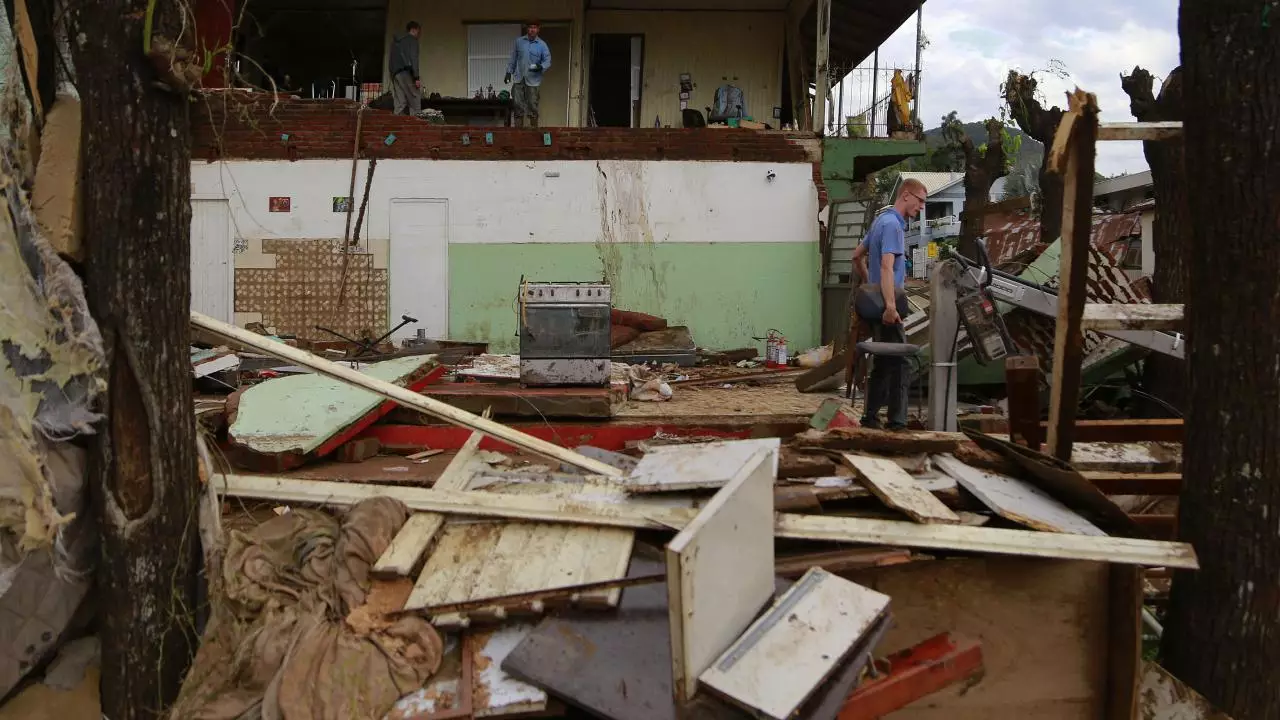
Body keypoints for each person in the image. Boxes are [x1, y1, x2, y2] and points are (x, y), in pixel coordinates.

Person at [850, 178, 927, 429]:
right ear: (906, 195)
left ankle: (870, 418)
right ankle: (897, 422)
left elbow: (856, 256)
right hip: (887, 307)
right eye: (920, 201)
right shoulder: (893, 225)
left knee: (884, 361)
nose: (922, 207)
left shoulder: (880, 221)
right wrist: (891, 306)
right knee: (902, 363)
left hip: (877, 302)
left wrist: (868, 284)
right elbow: (886, 266)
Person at [504, 21, 551, 127]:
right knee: (517, 105)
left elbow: (548, 60)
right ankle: (518, 131)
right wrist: (508, 72)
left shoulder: (542, 45)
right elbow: (513, 58)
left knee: (532, 106)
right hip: (519, 78)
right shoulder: (519, 42)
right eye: (530, 27)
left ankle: (533, 131)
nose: (532, 29)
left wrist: (541, 66)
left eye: (535, 27)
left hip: (533, 81)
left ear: (538, 29)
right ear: (527, 29)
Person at [389, 21, 422, 116]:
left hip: (395, 74)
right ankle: (416, 126)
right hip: (406, 72)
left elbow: (391, 60)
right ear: (413, 29)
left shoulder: (395, 42)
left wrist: (392, 74)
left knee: (400, 102)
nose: (419, 35)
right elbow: (414, 59)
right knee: (415, 99)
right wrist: (416, 77)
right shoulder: (412, 40)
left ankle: (397, 127)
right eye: (418, 32)